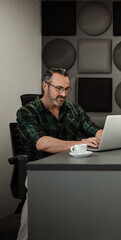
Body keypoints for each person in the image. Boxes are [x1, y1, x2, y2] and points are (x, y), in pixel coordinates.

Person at [16, 68, 103, 240]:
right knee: (31, 228)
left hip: (72, 171)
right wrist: (80, 143)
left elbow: (93, 128)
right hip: (41, 173)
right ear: (45, 86)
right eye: (58, 89)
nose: (63, 94)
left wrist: (101, 135)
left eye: (66, 89)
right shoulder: (27, 112)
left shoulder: (74, 110)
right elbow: (41, 143)